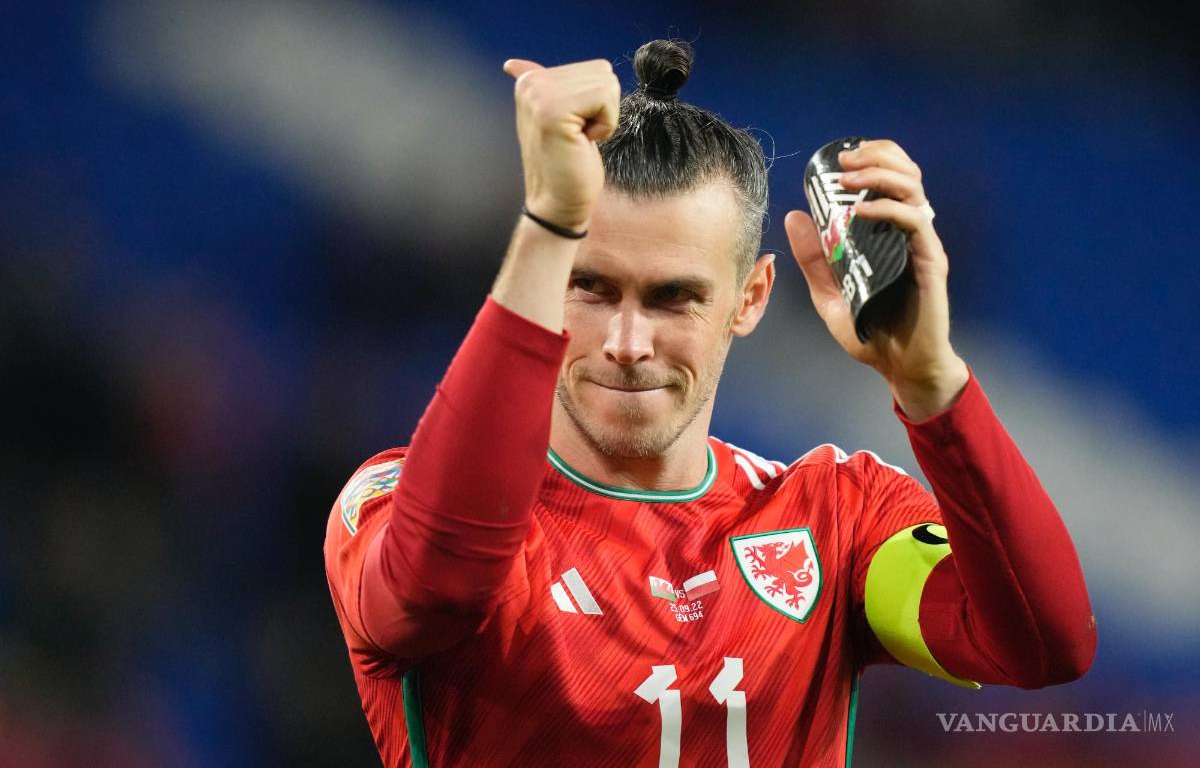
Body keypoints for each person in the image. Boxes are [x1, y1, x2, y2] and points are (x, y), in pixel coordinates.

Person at [323, 39, 1096, 767]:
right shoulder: (392, 503)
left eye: (673, 297)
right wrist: (550, 221)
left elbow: (1043, 644)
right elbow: (435, 587)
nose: (627, 341)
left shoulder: (836, 520)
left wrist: (932, 384)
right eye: (589, 285)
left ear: (750, 298)